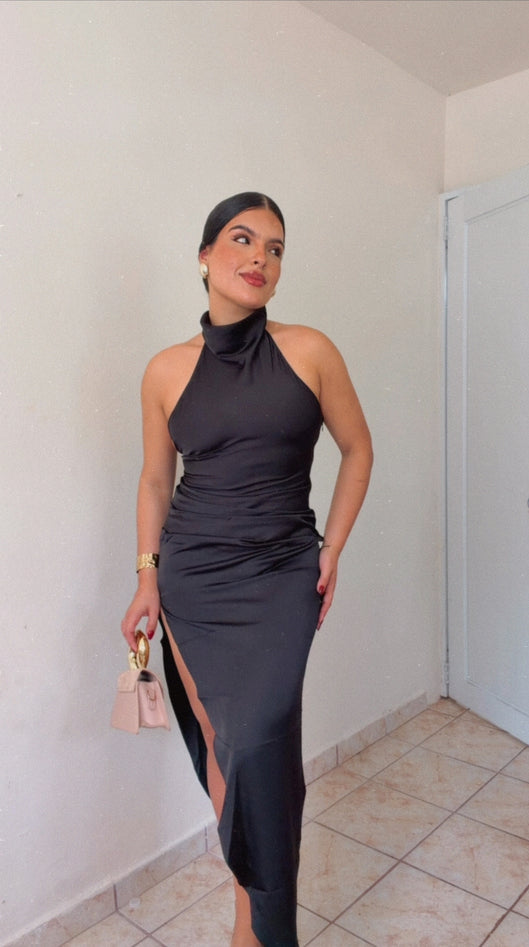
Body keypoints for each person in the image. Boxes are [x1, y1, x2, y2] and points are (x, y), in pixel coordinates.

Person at [121, 192, 373, 947]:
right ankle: (248, 917)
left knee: (261, 739)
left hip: (282, 570)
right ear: (204, 256)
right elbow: (155, 480)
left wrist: (332, 546)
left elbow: (358, 448)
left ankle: (263, 921)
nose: (259, 256)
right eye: (241, 239)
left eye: (274, 247)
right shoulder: (165, 370)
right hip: (192, 578)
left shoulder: (310, 350)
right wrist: (146, 576)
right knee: (222, 740)